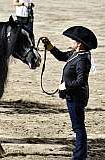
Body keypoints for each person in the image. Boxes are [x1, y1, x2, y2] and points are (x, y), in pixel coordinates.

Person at [41, 26, 98, 160]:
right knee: (78, 126)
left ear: (79, 44)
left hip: (76, 97)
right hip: (72, 96)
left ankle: (79, 157)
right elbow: (62, 56)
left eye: (73, 40)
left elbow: (81, 81)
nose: (71, 41)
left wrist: (65, 85)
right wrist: (50, 46)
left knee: (78, 127)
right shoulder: (76, 54)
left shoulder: (82, 60)